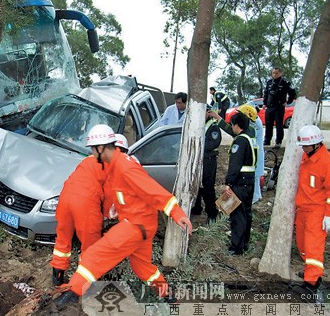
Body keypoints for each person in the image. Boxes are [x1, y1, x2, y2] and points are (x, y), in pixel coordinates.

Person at [54, 124, 192, 308]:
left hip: (136, 225)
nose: (93, 155)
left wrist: (177, 213)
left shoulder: (125, 167)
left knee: (93, 255)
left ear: (101, 148)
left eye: (93, 150)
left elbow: (153, 191)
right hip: (143, 225)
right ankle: (169, 297)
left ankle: (63, 301)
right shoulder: (113, 167)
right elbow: (119, 196)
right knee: (143, 268)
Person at [294, 125, 330, 297]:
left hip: (317, 212)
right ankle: (309, 270)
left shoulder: (328, 162)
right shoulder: (307, 157)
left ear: (317, 144)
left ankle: (312, 284)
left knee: (313, 248)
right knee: (303, 244)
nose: (304, 149)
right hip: (303, 210)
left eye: (306, 146)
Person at [50, 155, 109, 286]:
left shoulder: (89, 159)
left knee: (63, 240)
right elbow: (110, 196)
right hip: (86, 202)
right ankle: (82, 285)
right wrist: (107, 215)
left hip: (65, 197)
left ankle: (57, 280)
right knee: (90, 246)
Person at [225, 113, 257, 255]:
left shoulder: (240, 141)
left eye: (232, 124)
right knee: (246, 212)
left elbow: (235, 164)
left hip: (240, 181)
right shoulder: (250, 139)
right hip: (249, 180)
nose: (232, 127)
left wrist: (229, 182)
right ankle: (244, 243)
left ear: (237, 125)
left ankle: (236, 247)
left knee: (237, 214)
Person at [191, 107, 221, 224]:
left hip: (208, 161)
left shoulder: (213, 127)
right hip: (198, 159)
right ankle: (197, 208)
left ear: (208, 113)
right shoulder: (198, 124)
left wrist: (197, 145)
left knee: (207, 188)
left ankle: (212, 213)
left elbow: (213, 143)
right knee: (196, 185)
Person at [235, 104, 265, 204]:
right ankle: (257, 196)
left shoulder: (254, 125)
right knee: (255, 180)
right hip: (255, 155)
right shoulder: (255, 121)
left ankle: (255, 199)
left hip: (254, 156)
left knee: (254, 179)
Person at [263, 67, 296, 148]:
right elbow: (266, 93)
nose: (274, 75)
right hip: (270, 107)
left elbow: (292, 93)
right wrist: (264, 103)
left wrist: (288, 102)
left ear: (280, 73)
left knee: (279, 125)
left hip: (279, 107)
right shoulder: (269, 82)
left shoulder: (285, 83)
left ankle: (278, 142)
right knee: (268, 124)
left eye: (276, 73)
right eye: (273, 73)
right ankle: (267, 140)